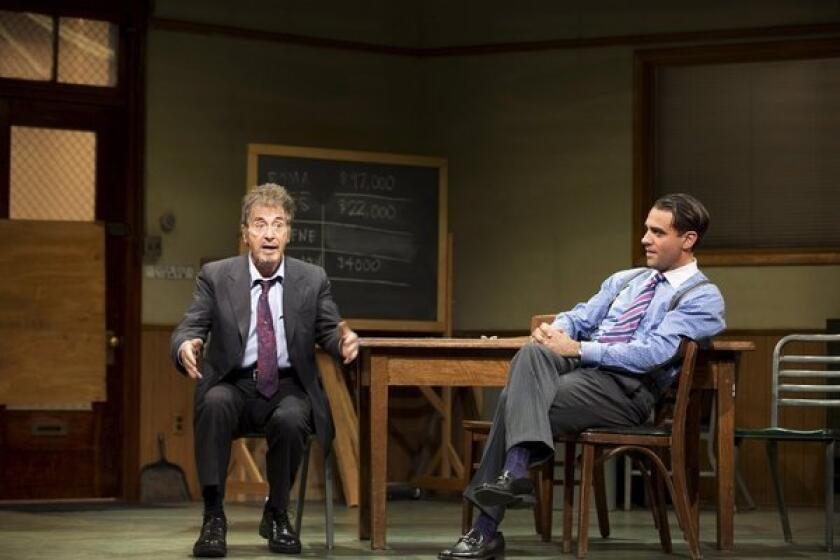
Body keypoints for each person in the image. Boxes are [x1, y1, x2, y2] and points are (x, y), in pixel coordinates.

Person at [439, 193, 725, 560]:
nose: (645, 239)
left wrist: (578, 349)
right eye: (645, 230)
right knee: (531, 352)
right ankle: (511, 479)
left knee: (514, 399)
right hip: (582, 375)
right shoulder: (627, 280)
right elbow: (580, 317)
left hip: (626, 391)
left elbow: (653, 353)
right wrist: (554, 332)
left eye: (657, 232)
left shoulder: (702, 297)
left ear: (688, 240)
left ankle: (486, 526)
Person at [171, 183, 359, 558]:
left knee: (292, 418)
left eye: (278, 224)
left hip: (287, 385)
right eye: (259, 224)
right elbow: (191, 325)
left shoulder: (311, 278)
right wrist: (185, 344)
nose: (269, 233)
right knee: (213, 403)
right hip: (233, 382)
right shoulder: (216, 275)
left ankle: (277, 512)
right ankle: (213, 516)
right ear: (245, 234)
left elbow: (329, 329)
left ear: (289, 232)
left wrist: (344, 342)